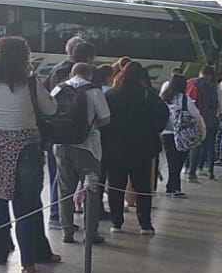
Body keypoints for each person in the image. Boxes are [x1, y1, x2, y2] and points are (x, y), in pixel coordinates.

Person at [0, 35, 57, 273]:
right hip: (25, 150)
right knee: (25, 212)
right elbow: (51, 109)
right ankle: (28, 270)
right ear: (23, 59)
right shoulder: (30, 84)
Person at [101, 61, 162, 235]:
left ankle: (116, 222)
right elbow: (161, 115)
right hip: (141, 148)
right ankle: (145, 224)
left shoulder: (112, 95)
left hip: (115, 148)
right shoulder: (148, 95)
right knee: (142, 187)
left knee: (115, 186)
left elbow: (103, 120)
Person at [52, 61, 110, 244]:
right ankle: (90, 233)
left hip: (62, 147)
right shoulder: (93, 90)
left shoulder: (58, 89)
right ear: (89, 75)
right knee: (91, 190)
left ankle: (66, 230)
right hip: (89, 149)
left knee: (65, 190)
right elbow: (106, 118)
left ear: (71, 74)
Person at [46, 41, 96, 228]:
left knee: (58, 177)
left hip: (57, 133)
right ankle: (59, 216)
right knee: (78, 180)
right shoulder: (89, 77)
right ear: (89, 58)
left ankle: (57, 216)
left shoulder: (57, 72)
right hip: (80, 137)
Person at [159, 73, 193, 196]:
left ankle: (172, 186)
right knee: (179, 161)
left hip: (165, 133)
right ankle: (174, 187)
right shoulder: (184, 99)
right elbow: (195, 114)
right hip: (181, 134)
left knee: (171, 160)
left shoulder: (163, 97)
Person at [191, 65, 220, 179]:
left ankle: (187, 168)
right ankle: (201, 170)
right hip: (204, 119)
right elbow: (214, 105)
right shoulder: (211, 86)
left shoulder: (190, 82)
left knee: (191, 144)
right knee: (204, 145)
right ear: (210, 75)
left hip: (190, 118)